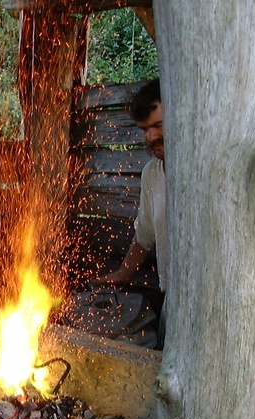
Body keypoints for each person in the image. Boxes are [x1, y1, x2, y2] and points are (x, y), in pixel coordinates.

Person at [93, 79, 167, 346]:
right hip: (173, 299)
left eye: (158, 126)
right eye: (145, 130)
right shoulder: (152, 174)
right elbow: (145, 234)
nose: (151, 138)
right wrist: (122, 274)